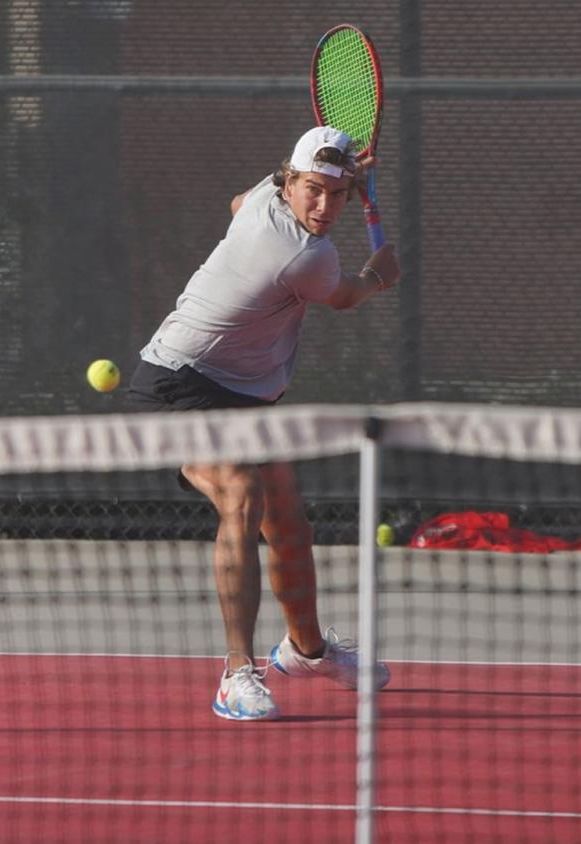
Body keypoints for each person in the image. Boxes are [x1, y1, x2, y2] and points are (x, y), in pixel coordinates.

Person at [126, 125, 400, 721]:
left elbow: (237, 205)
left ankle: (306, 652)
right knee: (242, 496)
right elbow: (347, 296)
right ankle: (236, 673)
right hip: (180, 383)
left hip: (244, 395)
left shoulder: (260, 197)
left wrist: (334, 171)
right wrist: (379, 275)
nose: (323, 206)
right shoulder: (307, 255)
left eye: (337, 193)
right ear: (288, 182)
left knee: (290, 525)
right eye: (311, 190)